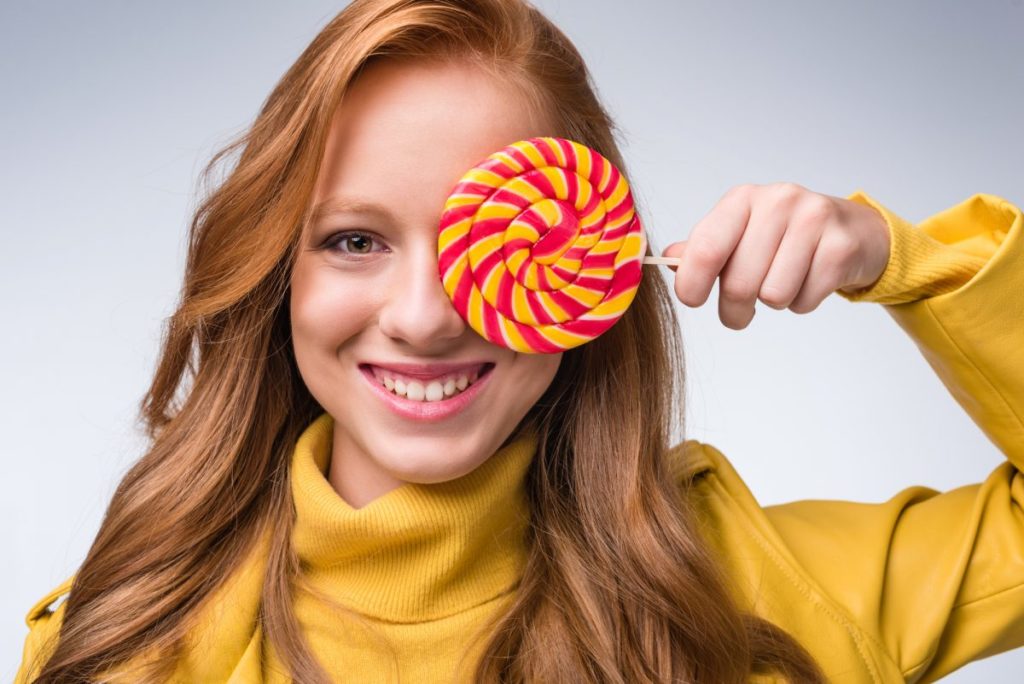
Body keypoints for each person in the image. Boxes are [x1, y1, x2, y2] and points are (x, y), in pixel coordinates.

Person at [16, 0, 1023, 682]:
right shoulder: (126, 642)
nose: (423, 316)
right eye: (354, 239)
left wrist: (901, 259)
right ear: (280, 270)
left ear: (589, 268)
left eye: (492, 237)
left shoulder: (748, 592)